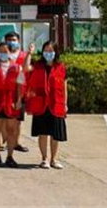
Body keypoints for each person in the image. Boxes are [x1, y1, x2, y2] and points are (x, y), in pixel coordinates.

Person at [26, 41, 68, 170]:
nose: (48, 53)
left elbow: (64, 86)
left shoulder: (60, 67)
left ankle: (54, 159)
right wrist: (29, 53)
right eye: (46, 50)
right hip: (41, 104)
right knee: (43, 133)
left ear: (55, 52)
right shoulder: (37, 65)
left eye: (51, 50)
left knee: (55, 134)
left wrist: (65, 103)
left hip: (56, 104)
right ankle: (44, 159)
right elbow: (26, 68)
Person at [4, 31, 29, 153]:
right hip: (6, 92)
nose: (11, 42)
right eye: (9, 40)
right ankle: (5, 142)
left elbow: (28, 72)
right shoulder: (2, 55)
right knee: (5, 119)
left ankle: (16, 142)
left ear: (18, 41)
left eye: (13, 40)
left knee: (18, 120)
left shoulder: (24, 55)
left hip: (21, 92)